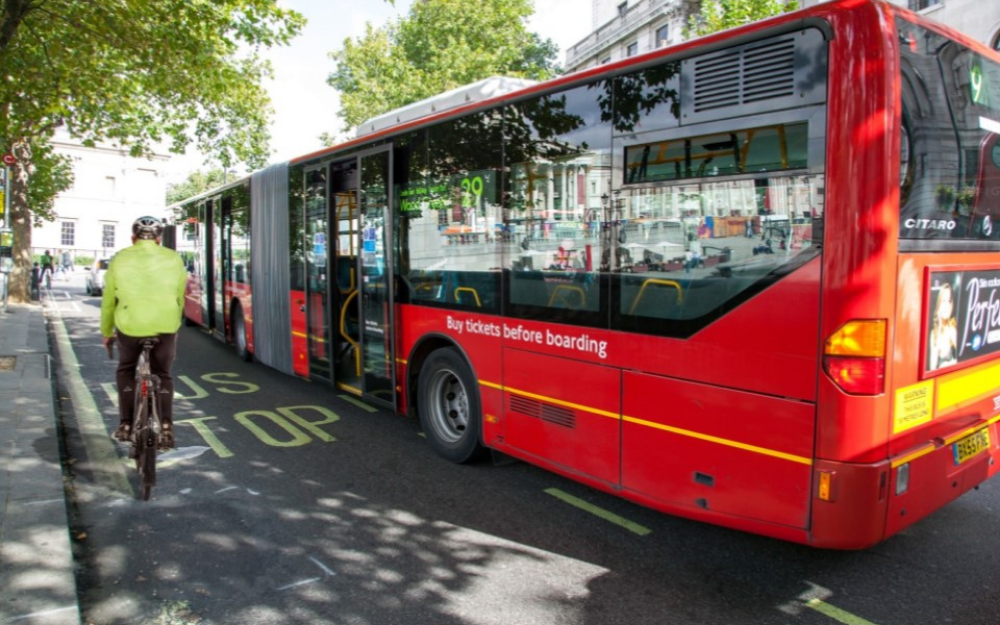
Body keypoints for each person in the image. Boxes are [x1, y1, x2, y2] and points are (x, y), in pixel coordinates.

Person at [100, 216, 187, 449]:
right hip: (165, 326)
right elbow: (180, 297)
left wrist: (106, 331)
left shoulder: (120, 258)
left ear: (133, 238)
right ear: (159, 240)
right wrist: (174, 326)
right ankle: (167, 425)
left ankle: (127, 423)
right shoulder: (174, 258)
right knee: (163, 373)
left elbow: (109, 300)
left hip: (131, 326)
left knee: (126, 368)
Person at [929, 281, 958, 371]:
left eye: (949, 301)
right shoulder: (934, 333)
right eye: (943, 301)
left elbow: (965, 358)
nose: (946, 305)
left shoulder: (954, 328)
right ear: (939, 304)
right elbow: (932, 368)